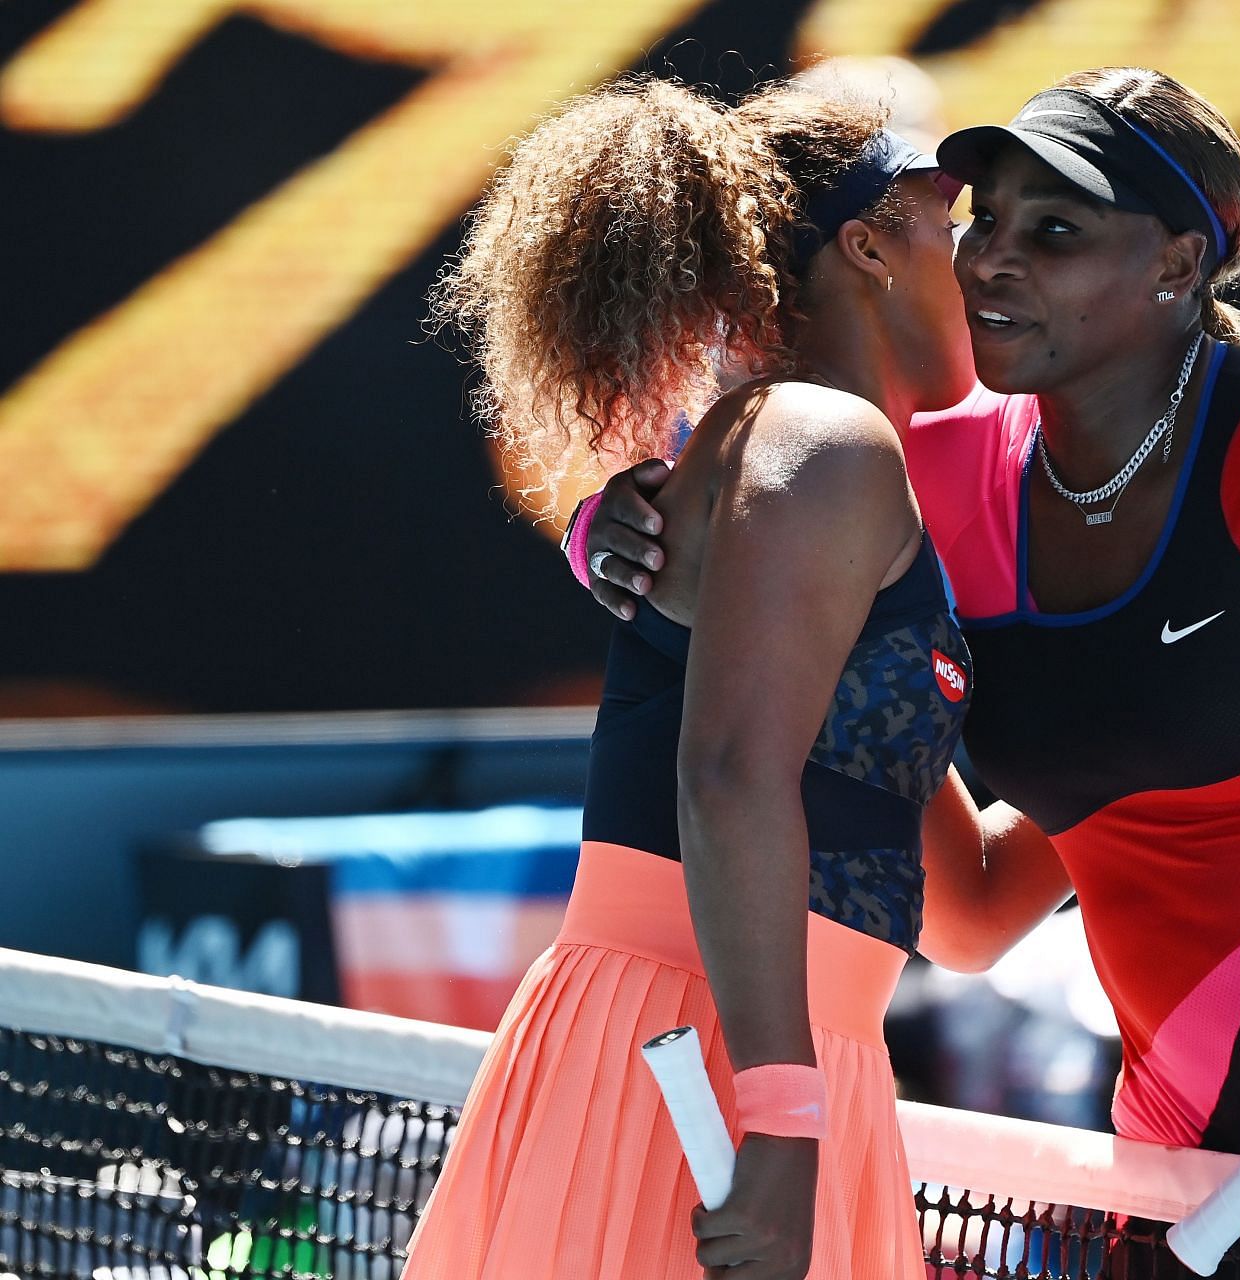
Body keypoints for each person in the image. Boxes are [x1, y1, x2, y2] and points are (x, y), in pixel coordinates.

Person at [578, 66, 1240, 1239]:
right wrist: (614, 528)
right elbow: (970, 908)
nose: (990, 258)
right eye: (984, 221)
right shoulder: (926, 474)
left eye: (1056, 231)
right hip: (1190, 1159)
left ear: (1178, 265)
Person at [404, 76, 976, 1279]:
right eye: (954, 217)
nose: (985, 257)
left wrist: (1196, 766)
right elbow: (723, 775)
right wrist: (779, 1114)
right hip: (725, 1075)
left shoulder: (801, 454)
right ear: (870, 246)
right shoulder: (823, 442)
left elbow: (964, 903)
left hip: (775, 1059)